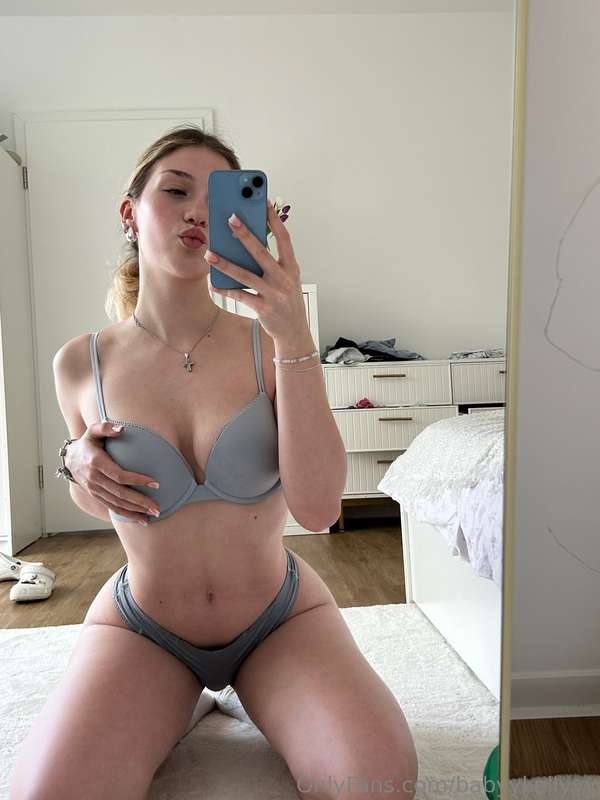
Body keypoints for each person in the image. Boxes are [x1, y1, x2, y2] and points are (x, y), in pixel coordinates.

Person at [9, 125, 418, 800]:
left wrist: (294, 335)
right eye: (176, 191)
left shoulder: (271, 344)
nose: (197, 211)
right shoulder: (82, 362)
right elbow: (97, 498)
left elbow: (319, 510)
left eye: (217, 196)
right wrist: (75, 461)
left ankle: (254, 695)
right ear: (129, 212)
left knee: (376, 784)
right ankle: (185, 700)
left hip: (277, 620)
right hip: (146, 628)